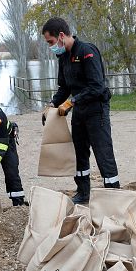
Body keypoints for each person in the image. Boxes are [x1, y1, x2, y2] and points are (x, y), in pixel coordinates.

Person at [41, 17, 120, 204]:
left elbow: (97, 86)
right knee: (79, 154)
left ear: (61, 36)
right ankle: (83, 192)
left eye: (50, 42)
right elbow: (64, 88)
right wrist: (53, 104)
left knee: (103, 153)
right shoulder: (63, 57)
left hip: (96, 110)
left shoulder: (87, 51)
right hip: (79, 112)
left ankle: (114, 196)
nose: (50, 46)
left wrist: (71, 102)